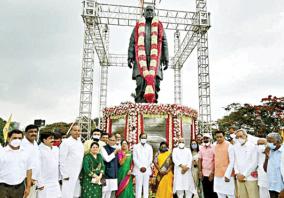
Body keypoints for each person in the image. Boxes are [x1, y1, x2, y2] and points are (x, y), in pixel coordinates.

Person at [128, 5, 169, 103]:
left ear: (154, 13)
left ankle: (153, 108)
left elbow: (164, 42)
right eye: (148, 10)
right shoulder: (138, 26)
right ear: (144, 13)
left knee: (156, 84)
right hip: (140, 61)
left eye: (151, 10)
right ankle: (139, 107)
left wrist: (166, 58)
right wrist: (130, 56)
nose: (150, 12)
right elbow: (132, 42)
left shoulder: (159, 26)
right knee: (140, 84)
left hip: (155, 61)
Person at [0, 129, 32, 198]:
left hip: (20, 187)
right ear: (8, 138)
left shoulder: (26, 153)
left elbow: (29, 170)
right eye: (14, 138)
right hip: (3, 187)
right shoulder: (2, 152)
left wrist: (28, 187)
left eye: (20, 138)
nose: (17, 140)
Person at [59, 124, 84, 198]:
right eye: (75, 130)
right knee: (67, 193)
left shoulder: (79, 142)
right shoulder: (66, 142)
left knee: (75, 193)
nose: (77, 132)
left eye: (79, 131)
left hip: (77, 172)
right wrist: (64, 174)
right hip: (68, 173)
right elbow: (62, 159)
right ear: (70, 131)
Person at [234, 129, 259, 198]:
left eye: (241, 136)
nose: (239, 138)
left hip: (250, 177)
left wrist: (244, 175)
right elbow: (235, 161)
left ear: (246, 135)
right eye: (237, 137)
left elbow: (254, 163)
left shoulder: (253, 146)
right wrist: (237, 173)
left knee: (253, 196)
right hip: (239, 177)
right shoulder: (236, 147)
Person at [37, 132, 61, 198]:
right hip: (44, 182)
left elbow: (58, 164)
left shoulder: (56, 149)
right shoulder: (38, 150)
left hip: (55, 181)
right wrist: (39, 183)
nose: (53, 140)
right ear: (44, 140)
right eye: (50, 138)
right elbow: (36, 168)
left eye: (53, 138)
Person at [21, 124, 41, 198]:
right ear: (25, 133)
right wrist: (28, 180)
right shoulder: (22, 144)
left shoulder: (35, 143)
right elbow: (23, 164)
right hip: (26, 180)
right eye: (31, 132)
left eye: (35, 132)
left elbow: (36, 161)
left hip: (35, 179)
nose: (34, 133)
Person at [213, 130, 235, 198]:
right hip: (217, 175)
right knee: (220, 194)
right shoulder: (214, 145)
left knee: (230, 194)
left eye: (220, 137)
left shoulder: (229, 145)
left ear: (224, 136)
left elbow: (232, 161)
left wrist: (227, 175)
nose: (219, 138)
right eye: (217, 137)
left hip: (227, 175)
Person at [263, 132, 284, 198]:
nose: (268, 143)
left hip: (281, 187)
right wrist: (266, 157)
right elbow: (265, 169)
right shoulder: (269, 151)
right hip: (272, 187)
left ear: (278, 141)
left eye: (270, 141)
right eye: (267, 141)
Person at [133, 133, 153, 198]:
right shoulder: (135, 147)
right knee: (138, 186)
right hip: (138, 169)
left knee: (146, 186)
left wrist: (145, 167)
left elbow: (150, 159)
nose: (143, 139)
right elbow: (134, 158)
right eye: (142, 137)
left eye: (145, 138)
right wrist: (140, 167)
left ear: (146, 139)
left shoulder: (149, 147)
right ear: (139, 138)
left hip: (146, 170)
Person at [101, 134, 120, 198]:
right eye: (111, 140)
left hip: (114, 173)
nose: (112, 141)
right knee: (103, 191)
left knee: (109, 191)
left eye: (114, 140)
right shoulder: (103, 148)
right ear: (108, 140)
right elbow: (107, 159)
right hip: (105, 173)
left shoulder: (116, 148)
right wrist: (114, 153)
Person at [199, 133, 217, 198]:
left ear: (210, 139)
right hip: (204, 174)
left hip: (212, 174)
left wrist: (212, 173)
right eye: (204, 138)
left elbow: (215, 161)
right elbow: (200, 160)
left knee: (213, 192)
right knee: (205, 192)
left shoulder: (214, 147)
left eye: (207, 138)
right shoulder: (201, 148)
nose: (205, 139)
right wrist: (200, 172)